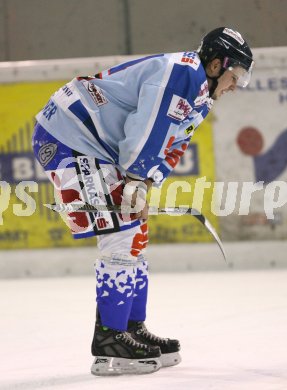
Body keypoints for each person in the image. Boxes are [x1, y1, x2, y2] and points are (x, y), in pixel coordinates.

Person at [32, 27, 254, 375]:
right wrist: (135, 179)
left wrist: (145, 182)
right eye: (235, 75)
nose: (235, 85)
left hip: (93, 142)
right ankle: (109, 338)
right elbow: (148, 126)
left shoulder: (201, 96)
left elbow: (172, 144)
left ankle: (130, 328)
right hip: (70, 134)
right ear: (215, 65)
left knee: (135, 232)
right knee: (121, 233)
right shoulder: (183, 72)